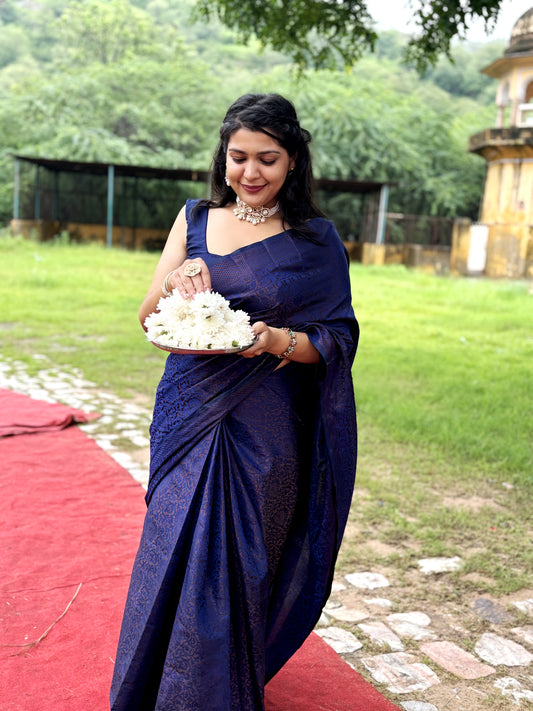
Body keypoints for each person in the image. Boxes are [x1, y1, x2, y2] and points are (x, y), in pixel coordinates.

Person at [110, 93, 359, 711]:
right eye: (238, 157)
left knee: (242, 562)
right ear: (222, 158)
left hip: (267, 421)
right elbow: (148, 322)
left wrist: (278, 339)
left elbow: (338, 336)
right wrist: (177, 287)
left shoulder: (316, 241)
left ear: (294, 162)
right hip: (188, 412)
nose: (250, 172)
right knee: (171, 543)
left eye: (267, 159)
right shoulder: (193, 218)